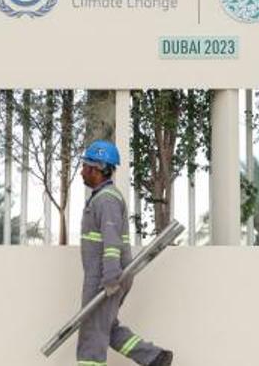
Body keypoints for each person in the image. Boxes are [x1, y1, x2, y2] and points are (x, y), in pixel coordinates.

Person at [77, 140, 173, 366]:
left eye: (85, 166)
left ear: (96, 169)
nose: (82, 171)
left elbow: (112, 242)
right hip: (107, 275)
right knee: (105, 327)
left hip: (106, 276)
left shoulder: (107, 199)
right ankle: (154, 357)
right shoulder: (102, 197)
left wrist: (110, 277)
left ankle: (154, 358)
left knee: (92, 335)